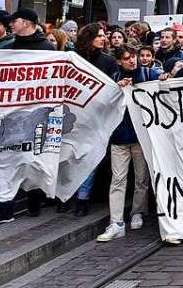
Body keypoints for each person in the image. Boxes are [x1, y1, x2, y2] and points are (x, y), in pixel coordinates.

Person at [0, 9, 52, 227]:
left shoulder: (46, 48)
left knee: (32, 159)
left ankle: (34, 197)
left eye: (16, 20)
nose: (11, 24)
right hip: (11, 114)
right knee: (6, 161)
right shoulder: (10, 47)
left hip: (35, 113)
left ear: (28, 23)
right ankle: (5, 208)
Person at [97, 46, 160, 243]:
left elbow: (161, 84)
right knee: (118, 179)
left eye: (133, 57)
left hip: (141, 136)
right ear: (119, 61)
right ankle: (116, 222)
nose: (132, 61)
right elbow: (103, 102)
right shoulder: (114, 78)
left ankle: (137, 212)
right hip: (119, 137)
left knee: (141, 178)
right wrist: (117, 88)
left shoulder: (148, 74)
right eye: (127, 58)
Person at [71, 24, 119, 215]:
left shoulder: (109, 62)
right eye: (99, 36)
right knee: (72, 157)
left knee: (90, 159)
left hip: (98, 118)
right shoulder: (74, 59)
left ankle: (83, 198)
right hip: (74, 117)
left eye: (104, 35)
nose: (103, 38)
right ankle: (66, 196)